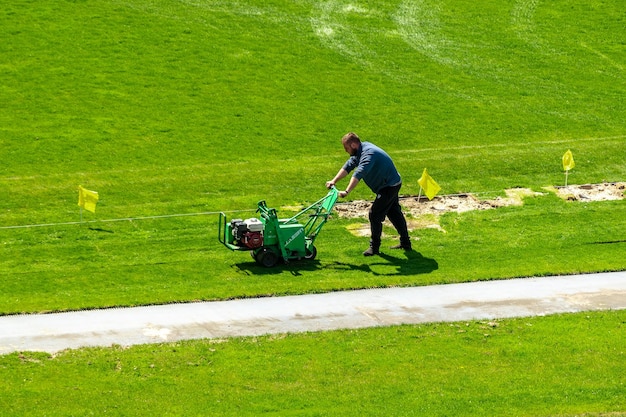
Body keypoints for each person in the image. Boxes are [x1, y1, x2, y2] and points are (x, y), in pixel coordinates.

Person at [326, 132, 412, 256]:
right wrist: (333, 181)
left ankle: (374, 247)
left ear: (354, 144)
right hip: (389, 183)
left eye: (346, 148)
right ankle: (405, 242)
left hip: (389, 186)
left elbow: (358, 174)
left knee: (374, 214)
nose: (346, 151)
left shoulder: (368, 154)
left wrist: (347, 191)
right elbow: (348, 166)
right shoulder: (360, 151)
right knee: (394, 213)